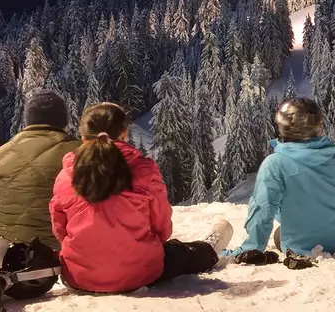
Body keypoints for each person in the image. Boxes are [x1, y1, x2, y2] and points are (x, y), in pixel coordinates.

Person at [50, 102, 228, 293]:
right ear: (124, 133)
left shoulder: (66, 174)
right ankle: (208, 249)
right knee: (177, 252)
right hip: (138, 274)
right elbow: (162, 229)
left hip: (79, 277)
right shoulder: (144, 169)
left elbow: (59, 229)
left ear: (83, 136)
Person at [235, 98, 335, 260]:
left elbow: (263, 208)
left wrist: (252, 248)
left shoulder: (275, 163)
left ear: (283, 127)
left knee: (279, 235)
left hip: (302, 244)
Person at [0, 91, 78, 250]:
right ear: (63, 120)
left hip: (4, 245)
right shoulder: (76, 152)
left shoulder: (1, 152)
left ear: (28, 120)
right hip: (54, 248)